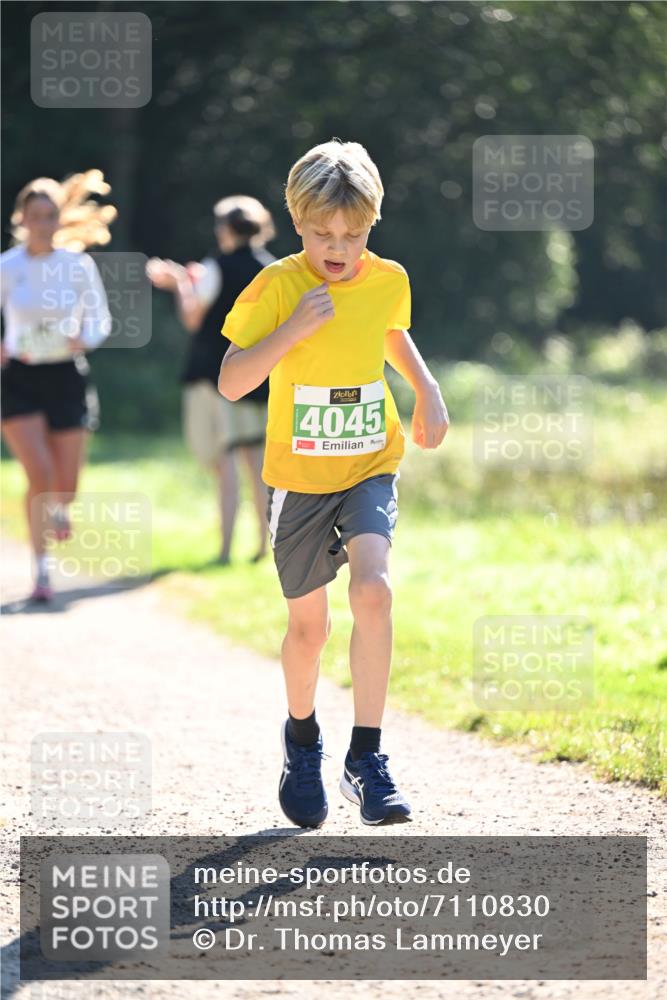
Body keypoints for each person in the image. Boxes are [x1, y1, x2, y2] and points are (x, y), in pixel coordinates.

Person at [218, 139, 449, 827]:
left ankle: (367, 760)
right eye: (323, 234)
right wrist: (291, 329)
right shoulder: (278, 286)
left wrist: (426, 389)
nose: (338, 247)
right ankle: (302, 741)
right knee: (308, 628)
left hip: (367, 462)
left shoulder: (387, 278)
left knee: (374, 588)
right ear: (296, 223)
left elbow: (390, 331)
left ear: (371, 224)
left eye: (352, 234)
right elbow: (233, 382)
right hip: (297, 480)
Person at [1, 171, 115, 601]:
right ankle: (42, 571)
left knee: (65, 484)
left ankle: (61, 509)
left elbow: (100, 318)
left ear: (59, 219)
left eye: (50, 215)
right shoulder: (8, 267)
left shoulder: (76, 266)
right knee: (40, 473)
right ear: (22, 219)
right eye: (35, 215)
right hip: (21, 378)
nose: (43, 223)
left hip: (66, 374)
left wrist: (83, 338)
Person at [146, 196, 275, 564]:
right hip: (260, 377)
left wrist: (179, 285)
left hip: (216, 376)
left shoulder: (215, 267)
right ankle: (265, 544)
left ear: (226, 229)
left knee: (224, 461)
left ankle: (224, 548)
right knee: (257, 464)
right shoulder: (272, 270)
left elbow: (192, 318)